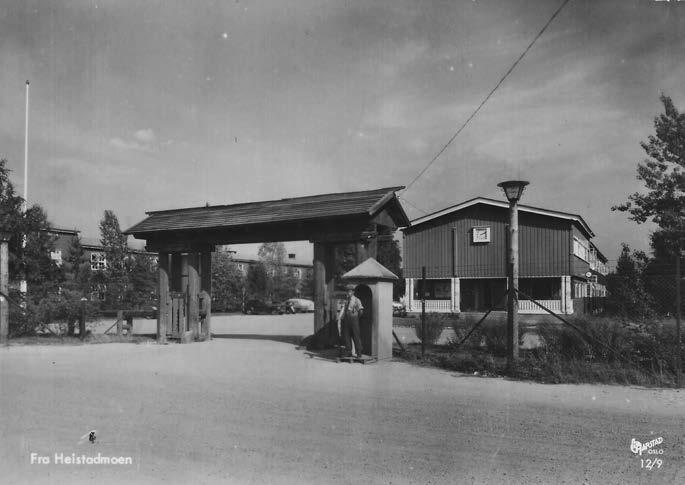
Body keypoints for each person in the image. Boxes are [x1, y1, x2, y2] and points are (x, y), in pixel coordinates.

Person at [338, 283, 364, 358]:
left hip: (354, 320)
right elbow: (343, 310)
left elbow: (361, 311)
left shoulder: (357, 300)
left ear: (353, 292)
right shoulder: (346, 301)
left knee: (356, 337)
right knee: (347, 337)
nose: (348, 293)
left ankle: (359, 353)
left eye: (350, 291)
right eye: (347, 291)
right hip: (346, 320)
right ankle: (348, 351)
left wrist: (356, 318)